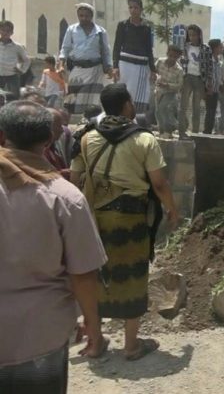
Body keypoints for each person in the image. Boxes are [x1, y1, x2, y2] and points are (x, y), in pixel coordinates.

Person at [0, 101, 107, 394]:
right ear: (49, 140)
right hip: (39, 338)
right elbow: (84, 273)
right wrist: (93, 327)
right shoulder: (65, 198)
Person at [70, 84, 179, 361]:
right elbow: (159, 183)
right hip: (131, 218)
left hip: (94, 218)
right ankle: (131, 346)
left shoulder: (85, 138)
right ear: (128, 105)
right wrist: (172, 210)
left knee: (93, 277)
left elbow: (75, 180)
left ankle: (96, 344)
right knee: (132, 275)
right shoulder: (144, 140)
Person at [58, 3, 113, 115]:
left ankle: (90, 123)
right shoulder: (72, 29)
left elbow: (106, 52)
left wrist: (109, 68)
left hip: (95, 71)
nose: (83, 18)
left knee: (93, 101)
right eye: (81, 15)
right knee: (72, 100)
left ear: (91, 16)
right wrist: (61, 65)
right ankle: (73, 124)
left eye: (86, 16)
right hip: (77, 70)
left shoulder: (100, 32)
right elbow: (65, 48)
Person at [112, 0, 156, 118]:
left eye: (136, 7)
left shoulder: (146, 28)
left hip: (141, 66)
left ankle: (136, 119)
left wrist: (153, 69)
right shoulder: (123, 25)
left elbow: (149, 50)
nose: (133, 10)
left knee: (139, 94)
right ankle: (119, 117)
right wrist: (115, 66)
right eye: (130, 7)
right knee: (123, 92)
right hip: (125, 63)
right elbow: (117, 46)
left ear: (141, 9)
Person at [178, 24, 213, 140]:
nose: (192, 37)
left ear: (199, 35)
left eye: (194, 35)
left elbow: (209, 66)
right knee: (183, 106)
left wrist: (209, 82)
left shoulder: (206, 48)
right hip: (187, 77)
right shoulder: (185, 47)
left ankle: (195, 134)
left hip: (199, 79)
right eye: (190, 35)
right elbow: (181, 62)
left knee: (196, 108)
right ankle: (181, 132)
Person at [153, 45, 184, 139]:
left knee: (163, 108)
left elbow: (179, 85)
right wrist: (155, 78)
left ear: (178, 57)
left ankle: (169, 130)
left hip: (170, 92)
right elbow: (153, 71)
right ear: (167, 54)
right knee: (158, 111)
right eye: (170, 55)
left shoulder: (179, 70)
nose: (172, 58)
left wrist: (167, 85)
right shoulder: (160, 61)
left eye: (175, 57)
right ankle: (162, 131)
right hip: (158, 90)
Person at [0, 20, 31, 101]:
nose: (5, 33)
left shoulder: (17, 47)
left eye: (8, 31)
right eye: (3, 30)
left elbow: (27, 60)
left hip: (12, 76)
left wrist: (22, 70)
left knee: (13, 99)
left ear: (11, 33)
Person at [204, 39, 224, 134]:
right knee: (210, 110)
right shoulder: (209, 60)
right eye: (220, 47)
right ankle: (207, 130)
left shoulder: (219, 61)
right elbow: (208, 74)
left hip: (216, 89)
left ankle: (210, 129)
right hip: (210, 89)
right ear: (215, 48)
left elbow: (219, 75)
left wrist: (221, 84)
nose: (222, 48)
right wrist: (208, 87)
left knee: (213, 110)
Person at [43, 109, 71, 180]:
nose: (62, 130)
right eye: (59, 126)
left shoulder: (52, 147)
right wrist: (60, 173)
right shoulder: (38, 150)